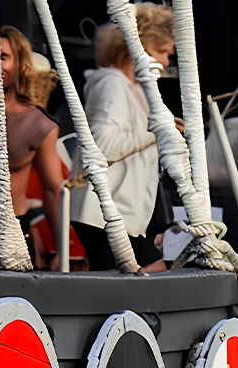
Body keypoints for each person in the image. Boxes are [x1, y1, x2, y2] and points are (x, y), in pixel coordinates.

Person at [67, 9, 176, 273]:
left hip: (118, 215)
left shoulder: (134, 89)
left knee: (151, 272)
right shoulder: (111, 83)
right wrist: (157, 131)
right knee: (148, 273)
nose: (166, 62)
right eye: (163, 52)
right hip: (102, 214)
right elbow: (102, 145)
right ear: (140, 50)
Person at [0, 26, 64, 269]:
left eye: (3, 57)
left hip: (12, 230)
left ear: (21, 64)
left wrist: (59, 249)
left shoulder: (38, 123)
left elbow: (52, 189)